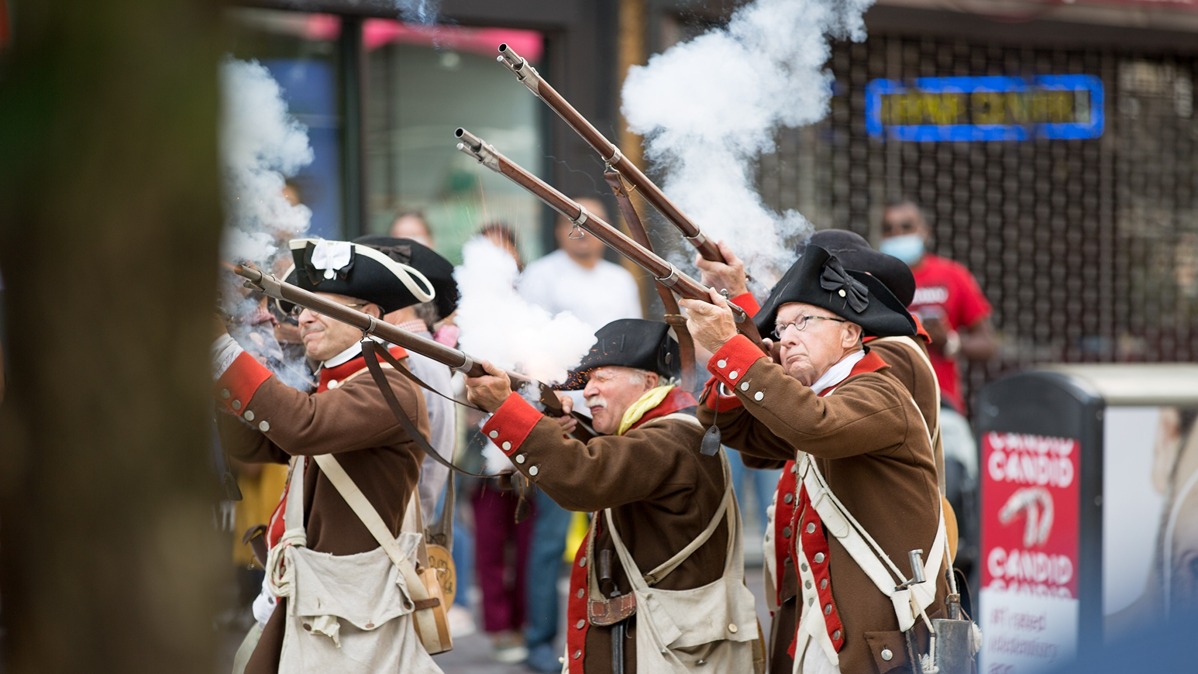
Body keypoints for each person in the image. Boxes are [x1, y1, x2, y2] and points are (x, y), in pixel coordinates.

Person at [682, 244, 950, 674]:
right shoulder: (827, 394)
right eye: (781, 328)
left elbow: (813, 423)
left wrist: (733, 349)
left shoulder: (880, 387)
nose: (785, 338)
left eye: (803, 322)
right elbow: (740, 430)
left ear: (850, 333)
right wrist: (740, 355)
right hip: (825, 629)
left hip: (882, 639)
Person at [463, 319, 760, 673]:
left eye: (602, 378)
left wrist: (506, 409)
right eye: (587, 380)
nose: (588, 391)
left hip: (671, 651)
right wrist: (562, 428)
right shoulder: (662, 431)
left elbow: (587, 476)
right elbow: (616, 460)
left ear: (648, 382)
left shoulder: (670, 438)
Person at [213, 237, 441, 674]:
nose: (303, 318)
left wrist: (223, 353)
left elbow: (302, 425)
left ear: (367, 315)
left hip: (344, 607)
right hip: (305, 590)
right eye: (302, 307)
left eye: (320, 307)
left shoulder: (389, 385)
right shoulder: (333, 381)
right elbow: (256, 444)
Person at [515, 197, 643, 672]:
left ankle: (612, 639)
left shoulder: (619, 280)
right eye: (575, 224)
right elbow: (526, 350)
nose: (584, 232)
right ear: (558, 230)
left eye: (593, 224)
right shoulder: (541, 275)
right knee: (551, 537)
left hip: (616, 417)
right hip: (563, 415)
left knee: (617, 528)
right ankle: (539, 642)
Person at [881, 198, 994, 591]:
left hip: (943, 413)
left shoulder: (952, 276)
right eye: (889, 229)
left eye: (906, 226)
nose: (897, 235)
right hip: (888, 408)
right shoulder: (873, 279)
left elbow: (988, 344)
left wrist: (952, 342)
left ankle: (956, 593)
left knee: (954, 508)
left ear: (924, 232)